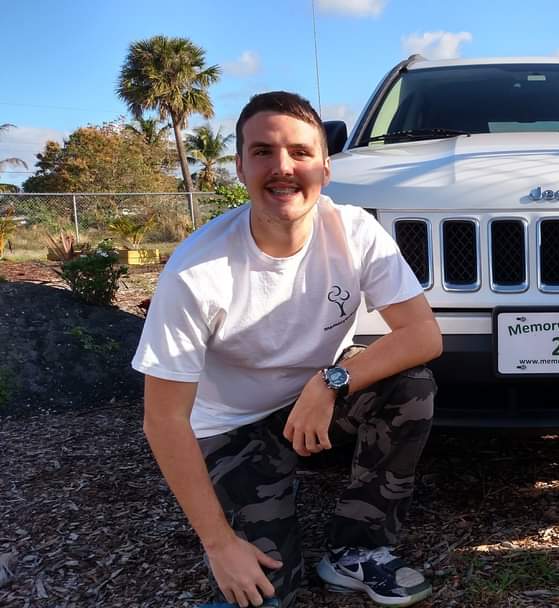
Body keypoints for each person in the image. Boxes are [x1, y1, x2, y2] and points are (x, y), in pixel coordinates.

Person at [134, 91, 442, 608]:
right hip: (231, 429)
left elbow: (423, 334)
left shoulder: (354, 231)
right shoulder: (195, 271)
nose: (282, 168)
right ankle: (257, 495)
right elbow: (163, 420)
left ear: (325, 166)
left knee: (410, 386)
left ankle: (358, 548)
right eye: (263, 152)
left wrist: (330, 382)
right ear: (239, 166)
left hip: (310, 403)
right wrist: (219, 545)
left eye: (300, 152)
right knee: (267, 592)